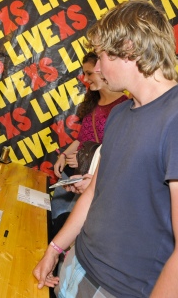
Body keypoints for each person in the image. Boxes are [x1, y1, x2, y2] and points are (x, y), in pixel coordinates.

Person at [33, 0, 178, 297]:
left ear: (129, 49)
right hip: (76, 265)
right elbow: (95, 193)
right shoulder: (121, 113)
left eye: (101, 56)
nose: (97, 67)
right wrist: (55, 249)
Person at [51, 52, 127, 233]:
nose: (85, 78)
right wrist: (63, 155)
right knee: (54, 221)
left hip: (91, 180)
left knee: (70, 227)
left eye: (89, 73)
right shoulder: (93, 99)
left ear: (102, 70)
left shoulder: (125, 105)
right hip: (70, 173)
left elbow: (116, 150)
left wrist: (87, 161)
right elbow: (82, 138)